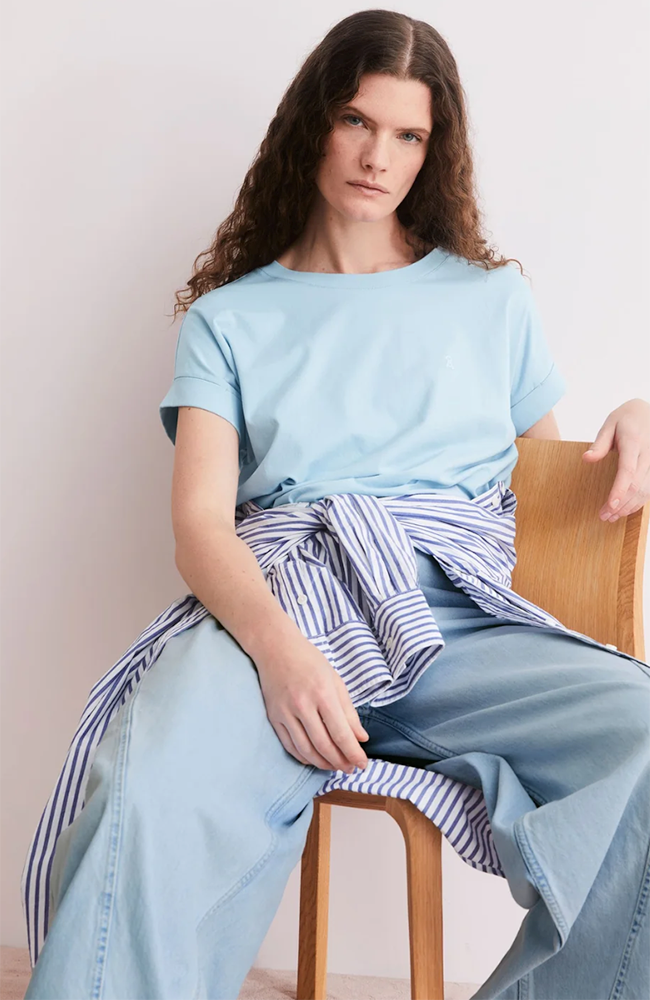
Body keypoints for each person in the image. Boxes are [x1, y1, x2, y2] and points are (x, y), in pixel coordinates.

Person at [21, 10, 650, 1000]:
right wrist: (279, 656)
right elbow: (200, 525)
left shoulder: (490, 301)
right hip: (279, 608)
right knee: (149, 782)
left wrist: (635, 419)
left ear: (433, 152)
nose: (377, 157)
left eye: (408, 135)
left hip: (453, 616)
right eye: (356, 120)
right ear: (311, 122)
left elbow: (552, 475)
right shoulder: (228, 319)